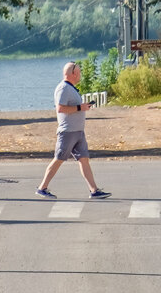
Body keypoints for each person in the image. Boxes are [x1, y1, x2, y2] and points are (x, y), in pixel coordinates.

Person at [35, 61, 110, 199]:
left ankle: (94, 190)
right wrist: (80, 108)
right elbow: (60, 108)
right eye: (79, 72)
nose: (80, 75)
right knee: (58, 159)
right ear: (73, 73)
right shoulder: (63, 88)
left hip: (78, 132)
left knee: (84, 160)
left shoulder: (71, 88)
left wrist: (82, 107)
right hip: (68, 132)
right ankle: (42, 187)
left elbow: (72, 107)